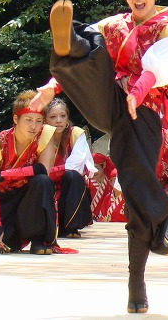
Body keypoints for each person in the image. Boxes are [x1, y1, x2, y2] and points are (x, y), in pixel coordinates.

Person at [31, 0, 168, 313]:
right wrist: (53, 86)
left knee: (134, 181)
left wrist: (136, 92)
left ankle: (137, 281)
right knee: (90, 42)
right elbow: (93, 63)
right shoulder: (115, 23)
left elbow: (157, 70)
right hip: (108, 100)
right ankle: (161, 212)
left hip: (145, 111)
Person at [0, 91, 58, 254]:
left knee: (42, 181)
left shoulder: (45, 135)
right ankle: (15, 237)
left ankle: (38, 239)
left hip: (31, 195)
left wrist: (4, 175)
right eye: (29, 120)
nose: (34, 126)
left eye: (39, 121)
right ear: (16, 119)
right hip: (4, 197)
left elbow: (42, 170)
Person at [43, 98, 97, 238]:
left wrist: (50, 172)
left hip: (69, 185)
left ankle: (71, 227)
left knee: (72, 176)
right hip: (47, 184)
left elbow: (74, 165)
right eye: (53, 117)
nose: (58, 120)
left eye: (62, 116)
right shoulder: (40, 136)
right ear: (45, 120)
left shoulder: (76, 134)